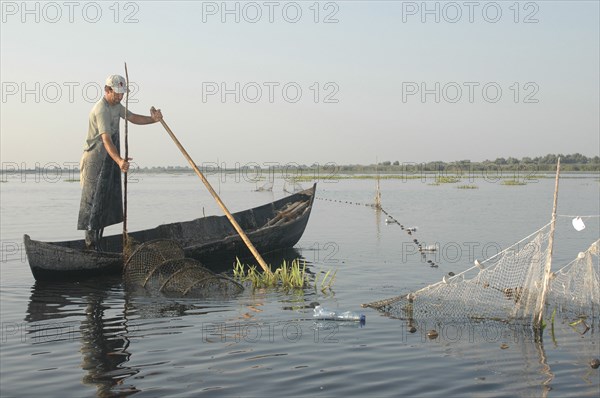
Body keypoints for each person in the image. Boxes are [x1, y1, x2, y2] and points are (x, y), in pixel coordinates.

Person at [77, 74, 163, 250]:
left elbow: (132, 118)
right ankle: (90, 246)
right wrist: (119, 160)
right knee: (92, 202)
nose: (120, 96)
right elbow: (106, 139)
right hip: (94, 158)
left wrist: (153, 120)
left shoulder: (116, 106)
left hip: (109, 157)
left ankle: (98, 243)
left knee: (106, 199)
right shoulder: (101, 109)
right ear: (107, 90)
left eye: (122, 93)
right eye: (117, 93)